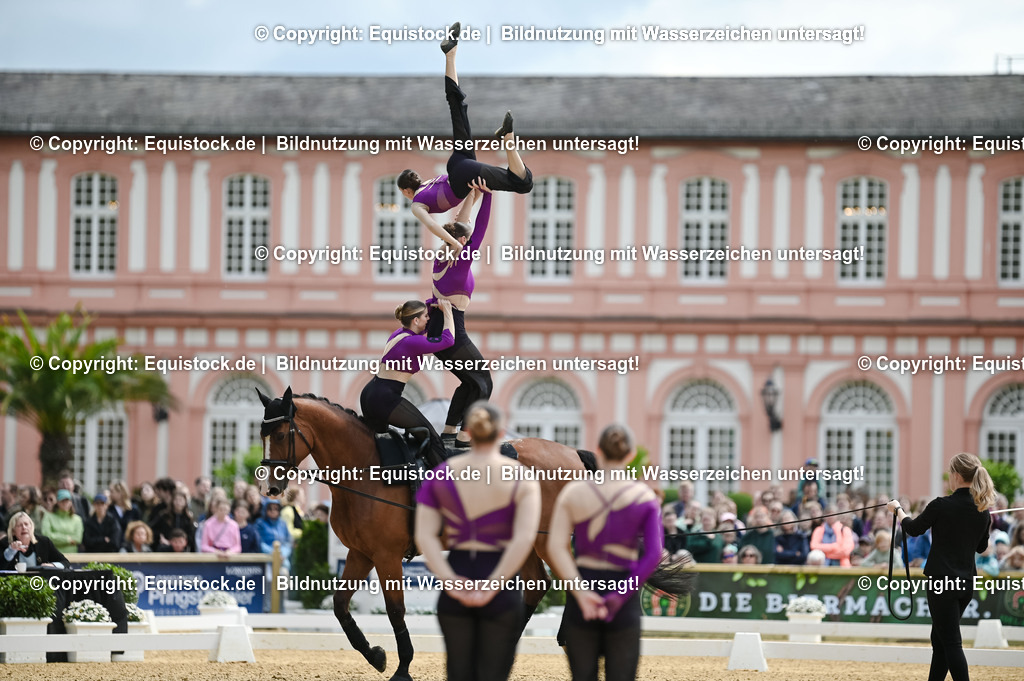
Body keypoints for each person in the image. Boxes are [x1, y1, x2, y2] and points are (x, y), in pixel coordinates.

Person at [415, 401, 541, 681]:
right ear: (500, 434)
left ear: (467, 432)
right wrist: (493, 584)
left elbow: (425, 536)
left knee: (458, 674)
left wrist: (450, 581)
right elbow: (523, 538)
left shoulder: (441, 474)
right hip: (501, 587)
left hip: (457, 578)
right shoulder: (520, 476)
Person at [397, 22, 533, 254]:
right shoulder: (428, 185)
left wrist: (451, 243)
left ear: (406, 191)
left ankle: (508, 139)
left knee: (523, 184)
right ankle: (451, 53)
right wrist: (477, 192)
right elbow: (461, 204)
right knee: (457, 108)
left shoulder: (417, 204)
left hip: (461, 173)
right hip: (459, 162)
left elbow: (431, 225)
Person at [547, 423, 663, 681]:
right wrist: (619, 596)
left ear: (598, 450)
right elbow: (653, 554)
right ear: (631, 454)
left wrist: (581, 592)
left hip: (584, 589)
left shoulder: (574, 492)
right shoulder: (644, 496)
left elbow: (556, 547)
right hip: (623, 596)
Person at [888, 452, 994, 681]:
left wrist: (898, 510)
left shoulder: (941, 505)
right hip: (965, 582)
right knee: (941, 641)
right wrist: (983, 523)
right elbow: (981, 547)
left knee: (951, 643)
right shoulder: (982, 510)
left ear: (955, 475)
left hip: (941, 582)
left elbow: (913, 528)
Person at [425, 179, 495, 448]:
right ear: (463, 242)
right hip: (452, 330)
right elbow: (479, 228)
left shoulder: (441, 256)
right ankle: (466, 437)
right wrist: (488, 197)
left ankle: (449, 432)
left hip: (439, 329)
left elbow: (461, 222)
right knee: (484, 381)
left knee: (469, 383)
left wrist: (472, 195)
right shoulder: (462, 260)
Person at [360, 298, 455, 468]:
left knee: (379, 446)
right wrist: (448, 312)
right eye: (426, 316)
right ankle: (445, 486)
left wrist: (437, 299)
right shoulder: (412, 342)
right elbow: (448, 340)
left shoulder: (400, 334)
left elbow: (422, 310)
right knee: (429, 435)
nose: (429, 319)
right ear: (415, 320)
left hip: (370, 393)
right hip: (384, 398)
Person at [1, 511, 68, 569]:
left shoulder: (44, 542)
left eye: (26, 524)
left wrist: (52, 565)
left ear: (31, 527)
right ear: (13, 531)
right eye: (19, 525)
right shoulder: (4, 543)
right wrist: (10, 552)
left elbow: (65, 563)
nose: (24, 527)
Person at [41, 489, 83, 554]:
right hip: (53, 556)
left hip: (72, 557)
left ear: (71, 502)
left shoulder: (77, 519)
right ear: (57, 502)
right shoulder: (48, 516)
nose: (65, 503)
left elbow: (78, 538)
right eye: (62, 500)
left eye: (67, 500)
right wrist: (68, 539)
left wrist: (56, 537)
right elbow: (47, 536)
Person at [255, 498, 293, 570]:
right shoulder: (259, 523)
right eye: (270, 508)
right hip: (266, 558)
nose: (273, 511)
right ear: (265, 510)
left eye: (276, 509)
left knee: (284, 574)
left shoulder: (283, 524)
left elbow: (288, 542)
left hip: (282, 558)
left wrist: (282, 554)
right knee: (268, 578)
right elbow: (259, 542)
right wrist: (272, 553)